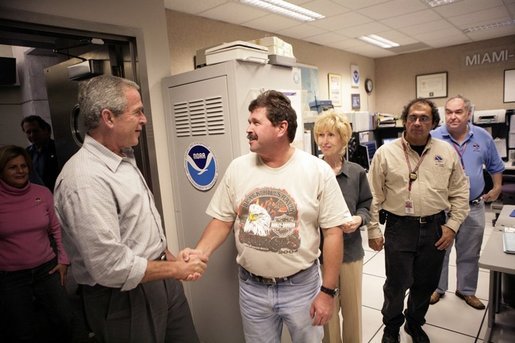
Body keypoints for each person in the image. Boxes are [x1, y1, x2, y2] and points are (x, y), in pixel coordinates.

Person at [183, 90, 352, 342]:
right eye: (249, 122)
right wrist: (201, 252)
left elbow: (333, 232)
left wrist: (327, 292)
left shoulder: (316, 171)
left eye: (256, 122)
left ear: (281, 127)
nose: (248, 129)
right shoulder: (238, 168)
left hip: (302, 287)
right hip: (252, 289)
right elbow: (223, 220)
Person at [53, 75, 207, 343]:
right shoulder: (85, 179)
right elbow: (109, 266)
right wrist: (175, 271)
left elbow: (137, 226)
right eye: (137, 112)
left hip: (160, 280)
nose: (144, 120)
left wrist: (170, 259)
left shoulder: (123, 157)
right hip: (123, 297)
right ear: (108, 118)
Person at [367, 98, 469, 343]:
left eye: (424, 118)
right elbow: (373, 195)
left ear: (433, 122)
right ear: (405, 121)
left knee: (426, 283)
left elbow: (460, 191)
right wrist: (372, 230)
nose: (417, 122)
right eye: (412, 117)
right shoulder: (386, 153)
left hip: (435, 228)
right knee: (396, 285)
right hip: (399, 227)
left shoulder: (446, 152)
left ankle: (414, 323)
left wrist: (452, 226)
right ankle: (391, 327)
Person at [314, 110, 383, 343]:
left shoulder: (355, 172)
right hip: (320, 256)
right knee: (327, 313)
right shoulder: (312, 171)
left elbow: (366, 203)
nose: (325, 140)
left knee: (352, 312)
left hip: (351, 252)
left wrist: (359, 219)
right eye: (321, 135)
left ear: (343, 139)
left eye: (331, 135)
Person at [430, 95, 504, 310]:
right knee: (439, 250)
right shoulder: (434, 137)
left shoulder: (482, 137)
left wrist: (497, 187)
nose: (453, 117)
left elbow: (495, 165)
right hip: (442, 208)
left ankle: (466, 290)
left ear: (468, 114)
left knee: (470, 251)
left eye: (458, 112)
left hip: (474, 206)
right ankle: (437, 288)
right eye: (449, 112)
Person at [0, 145, 73, 343]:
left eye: (24, 166)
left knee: (64, 320)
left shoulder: (42, 193)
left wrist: (64, 260)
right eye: (13, 167)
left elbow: (57, 229)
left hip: (47, 269)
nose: (21, 171)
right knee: (22, 330)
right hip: (11, 276)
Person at [21, 115, 59, 191]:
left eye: (35, 131)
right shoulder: (26, 153)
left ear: (45, 130)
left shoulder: (59, 149)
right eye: (28, 132)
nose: (32, 135)